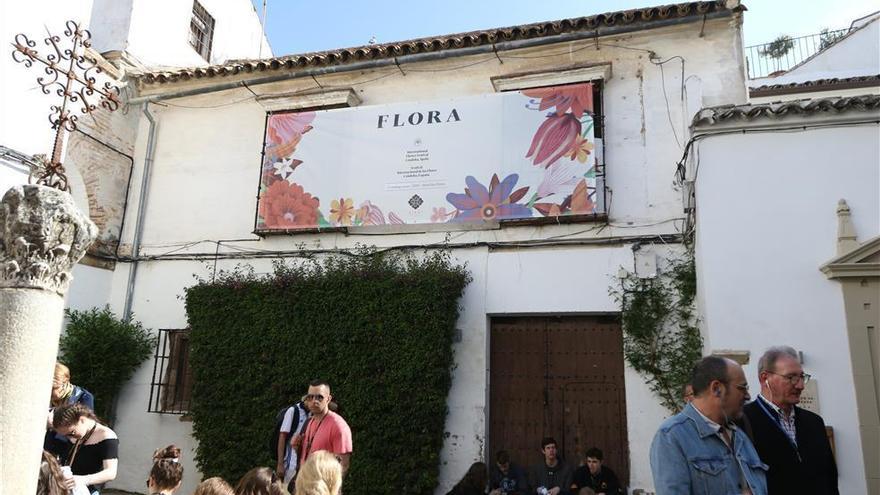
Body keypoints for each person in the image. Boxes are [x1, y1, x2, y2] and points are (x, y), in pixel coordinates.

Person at [650, 356, 767, 495]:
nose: (748, 396)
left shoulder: (739, 435)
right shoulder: (672, 437)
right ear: (717, 388)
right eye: (742, 388)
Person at [742, 346, 839, 494]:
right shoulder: (743, 422)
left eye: (802, 377)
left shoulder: (814, 422)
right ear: (764, 378)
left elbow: (830, 479)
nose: (800, 385)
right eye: (791, 377)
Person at [50, 403, 118, 495]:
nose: (70, 438)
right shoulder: (76, 433)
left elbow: (111, 473)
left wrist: (82, 480)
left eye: (72, 433)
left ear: (82, 419)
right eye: (65, 435)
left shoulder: (106, 436)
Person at [294, 381, 352, 475]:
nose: (314, 401)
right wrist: (297, 449)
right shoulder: (309, 422)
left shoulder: (338, 426)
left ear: (328, 399)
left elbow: (343, 465)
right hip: (303, 484)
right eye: (310, 397)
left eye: (319, 397)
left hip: (322, 487)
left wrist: (327, 488)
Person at [277, 397, 310, 486]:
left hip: (305, 465)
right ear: (306, 399)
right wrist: (280, 464)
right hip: (290, 464)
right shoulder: (293, 411)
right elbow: (282, 436)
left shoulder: (313, 413)